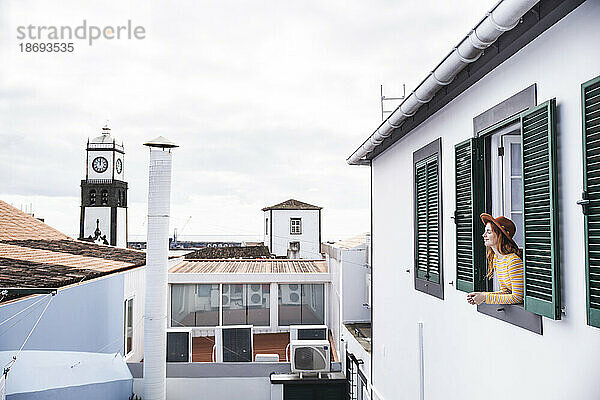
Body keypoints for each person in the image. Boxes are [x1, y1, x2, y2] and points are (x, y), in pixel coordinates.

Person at [467, 213, 524, 306]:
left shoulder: (513, 261)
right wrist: (481, 295)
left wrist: (485, 297)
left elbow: (518, 297)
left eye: (489, 232)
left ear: (500, 235)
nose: (483, 235)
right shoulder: (497, 259)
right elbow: (506, 291)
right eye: (485, 231)